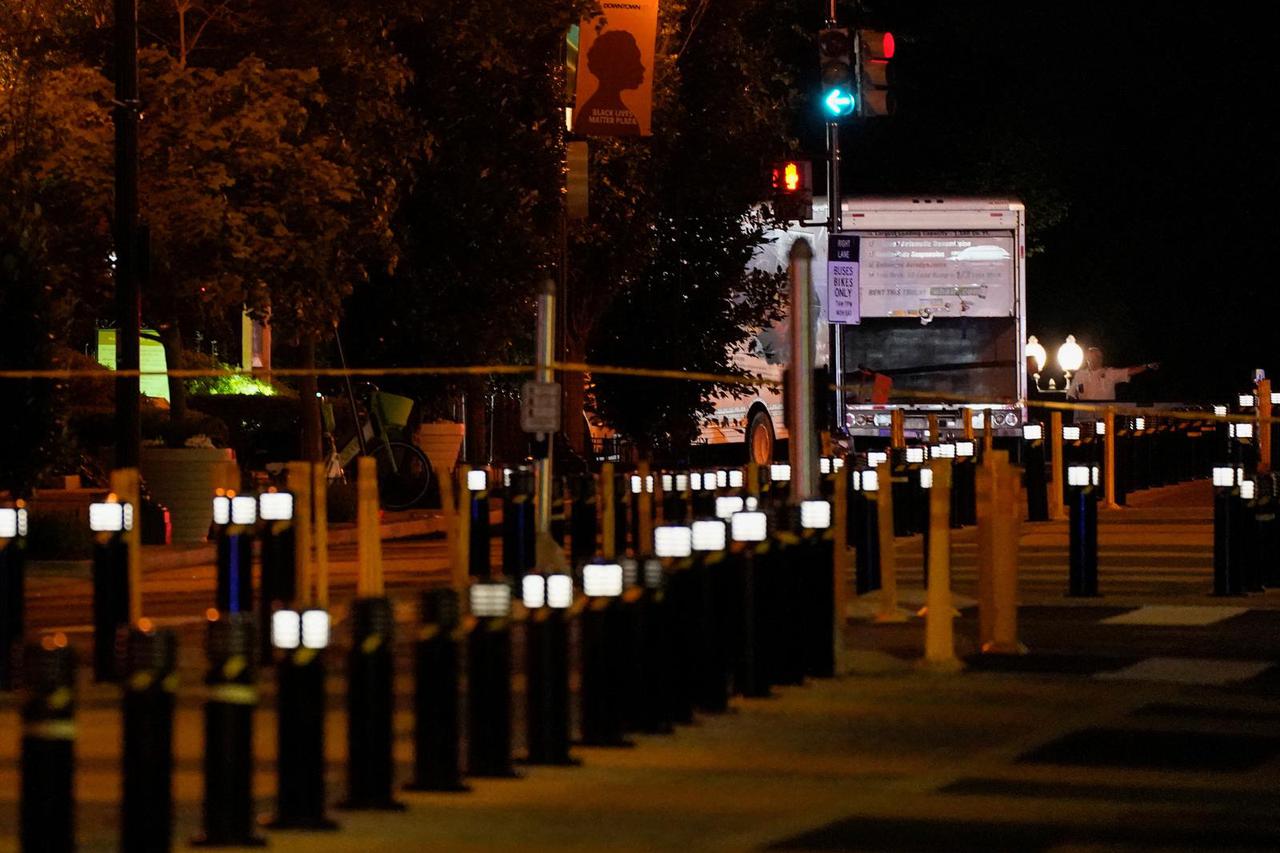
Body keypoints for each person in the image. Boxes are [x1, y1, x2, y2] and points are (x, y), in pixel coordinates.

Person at [574, 30, 646, 136]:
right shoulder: (589, 113)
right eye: (635, 60)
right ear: (616, 66)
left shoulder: (588, 112)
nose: (642, 68)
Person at [1067, 347, 1157, 401]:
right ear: (1087, 359)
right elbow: (1071, 394)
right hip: (1084, 418)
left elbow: (1129, 371)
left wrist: (1147, 366)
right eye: (1091, 357)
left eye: (1097, 357)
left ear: (1101, 358)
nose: (1094, 360)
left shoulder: (1110, 373)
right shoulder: (1080, 375)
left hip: (1104, 417)